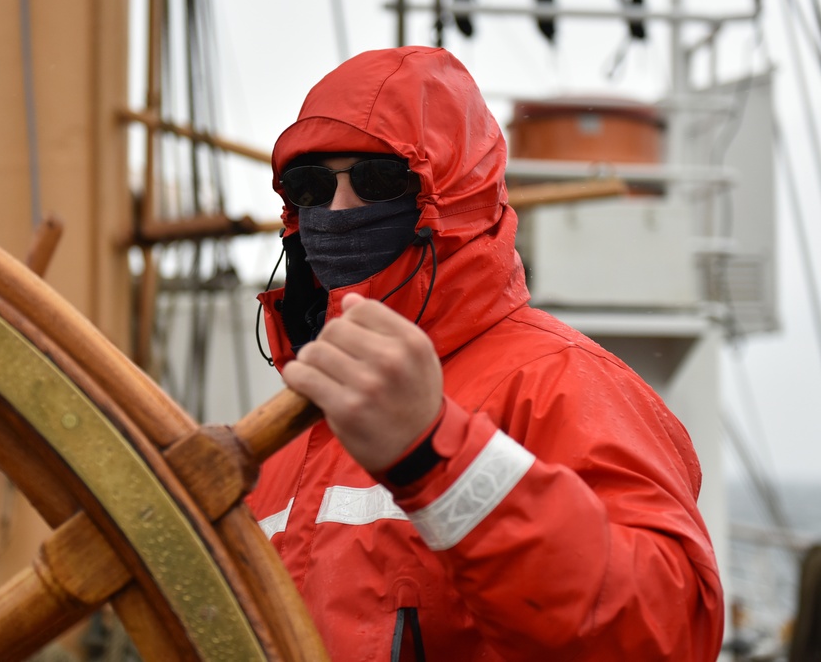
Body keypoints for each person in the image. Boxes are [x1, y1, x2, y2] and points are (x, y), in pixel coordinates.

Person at [248, 45, 724, 661]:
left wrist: (436, 455)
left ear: (451, 198)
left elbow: (667, 633)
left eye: (379, 179)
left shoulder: (563, 386)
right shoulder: (286, 437)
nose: (338, 210)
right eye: (310, 185)